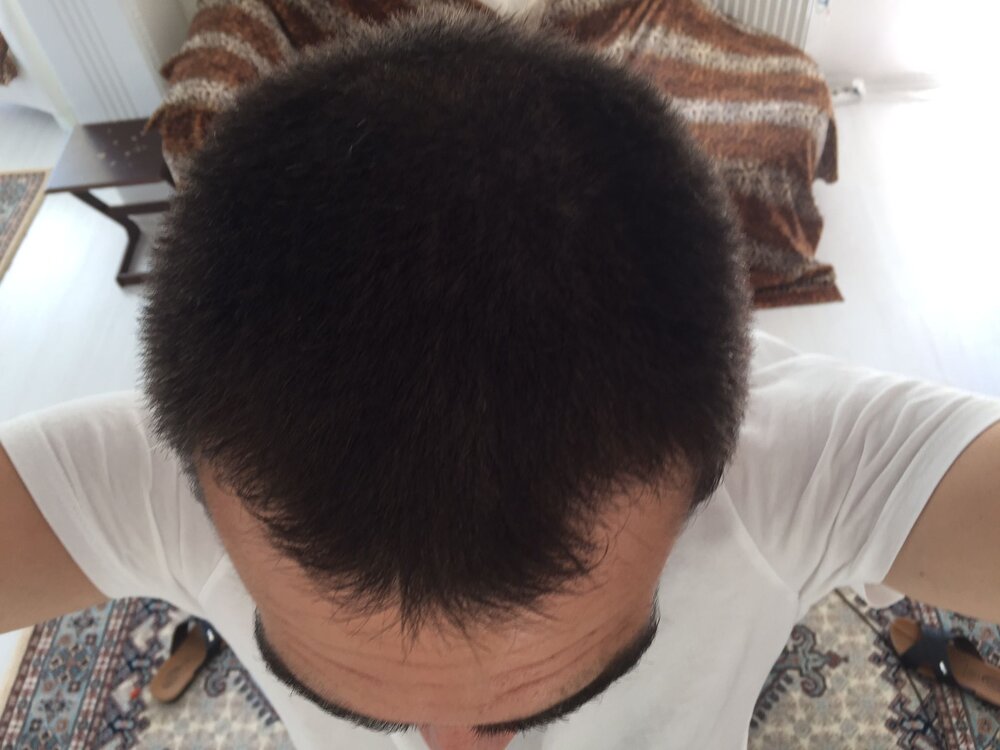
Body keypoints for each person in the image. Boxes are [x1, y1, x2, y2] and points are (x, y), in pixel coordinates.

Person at [1, 6, 998, 750]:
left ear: (727, 457)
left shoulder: (792, 464)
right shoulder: (201, 463)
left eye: (570, 690)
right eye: (362, 708)